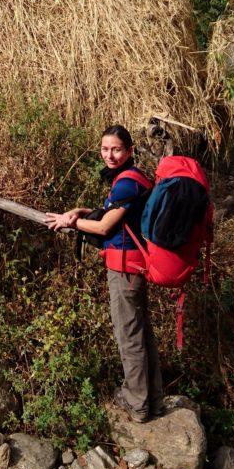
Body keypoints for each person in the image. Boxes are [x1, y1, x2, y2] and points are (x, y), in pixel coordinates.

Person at [44, 124, 164, 423]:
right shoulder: (133, 178)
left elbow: (104, 227)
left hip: (124, 268)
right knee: (142, 333)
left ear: (130, 151)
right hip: (135, 264)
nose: (109, 155)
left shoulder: (126, 183)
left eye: (116, 149)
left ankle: (137, 404)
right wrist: (81, 211)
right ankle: (154, 400)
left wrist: (67, 222)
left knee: (129, 336)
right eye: (105, 149)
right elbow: (110, 214)